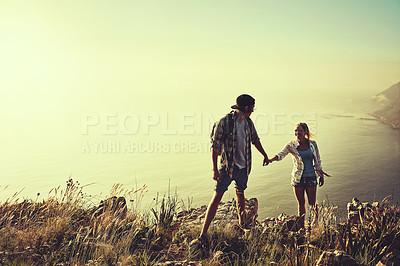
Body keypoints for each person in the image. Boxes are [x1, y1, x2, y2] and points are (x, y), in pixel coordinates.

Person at [199, 94, 270, 239]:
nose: (253, 111)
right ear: (246, 107)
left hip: (244, 167)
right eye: (252, 108)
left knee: (241, 192)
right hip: (227, 168)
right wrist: (214, 169)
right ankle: (203, 233)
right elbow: (215, 146)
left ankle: (242, 223)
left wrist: (265, 155)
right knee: (217, 196)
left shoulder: (249, 122)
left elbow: (255, 140)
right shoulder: (224, 122)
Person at [268, 122, 331, 229]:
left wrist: (321, 175)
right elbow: (281, 154)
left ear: (305, 131)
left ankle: (315, 225)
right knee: (301, 204)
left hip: (311, 177)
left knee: (312, 203)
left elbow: (318, 161)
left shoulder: (313, 144)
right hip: (298, 179)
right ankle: (302, 226)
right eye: (296, 131)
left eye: (300, 130)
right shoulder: (291, 145)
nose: (297, 133)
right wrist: (270, 159)